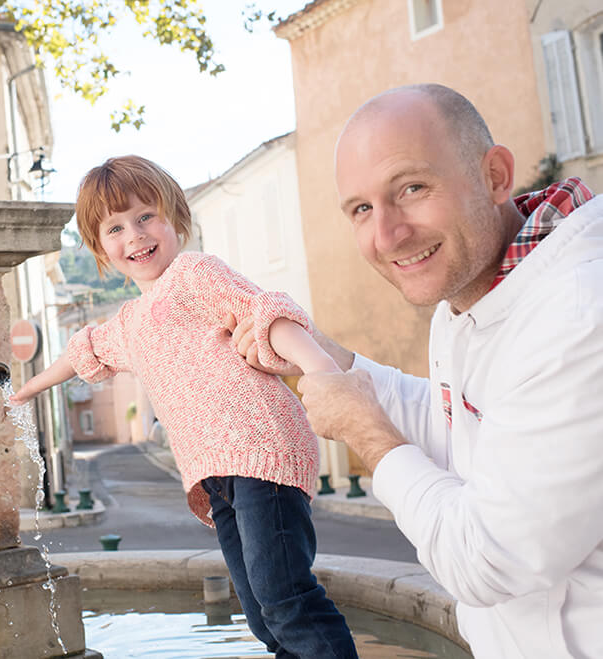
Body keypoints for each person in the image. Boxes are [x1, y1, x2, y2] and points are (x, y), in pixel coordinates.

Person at [229, 84, 603, 658]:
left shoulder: (578, 314)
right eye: (361, 209)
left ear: (496, 176)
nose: (387, 235)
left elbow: (486, 563)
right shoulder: (477, 293)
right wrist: (331, 361)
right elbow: (462, 420)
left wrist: (366, 434)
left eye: (412, 188)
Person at [10, 155, 358, 658]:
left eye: (145, 217)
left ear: (173, 217)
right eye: (116, 228)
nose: (135, 235)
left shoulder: (196, 273)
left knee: (286, 599)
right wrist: (26, 389)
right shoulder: (130, 322)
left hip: (261, 450)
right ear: (100, 249)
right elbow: (81, 351)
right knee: (262, 614)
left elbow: (265, 313)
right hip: (215, 471)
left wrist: (318, 367)